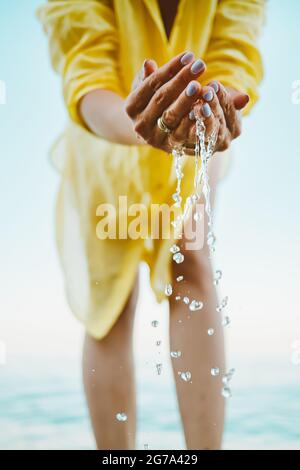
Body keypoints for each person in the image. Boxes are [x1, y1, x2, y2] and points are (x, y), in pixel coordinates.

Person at [37, 0, 265, 450]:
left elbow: (235, 51)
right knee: (111, 301)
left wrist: (214, 108)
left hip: (200, 139)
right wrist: (135, 118)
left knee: (192, 261)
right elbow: (86, 69)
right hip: (106, 141)